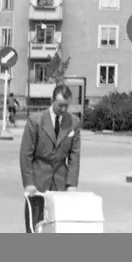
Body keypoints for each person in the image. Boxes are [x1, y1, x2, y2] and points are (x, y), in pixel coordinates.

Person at [19, 84, 81, 233]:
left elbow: (74, 155)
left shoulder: (73, 122)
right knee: (35, 224)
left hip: (60, 180)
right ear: (51, 100)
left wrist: (71, 183)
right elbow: (25, 154)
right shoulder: (35, 121)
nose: (64, 109)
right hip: (38, 179)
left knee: (58, 226)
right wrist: (29, 183)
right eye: (60, 105)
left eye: (67, 106)